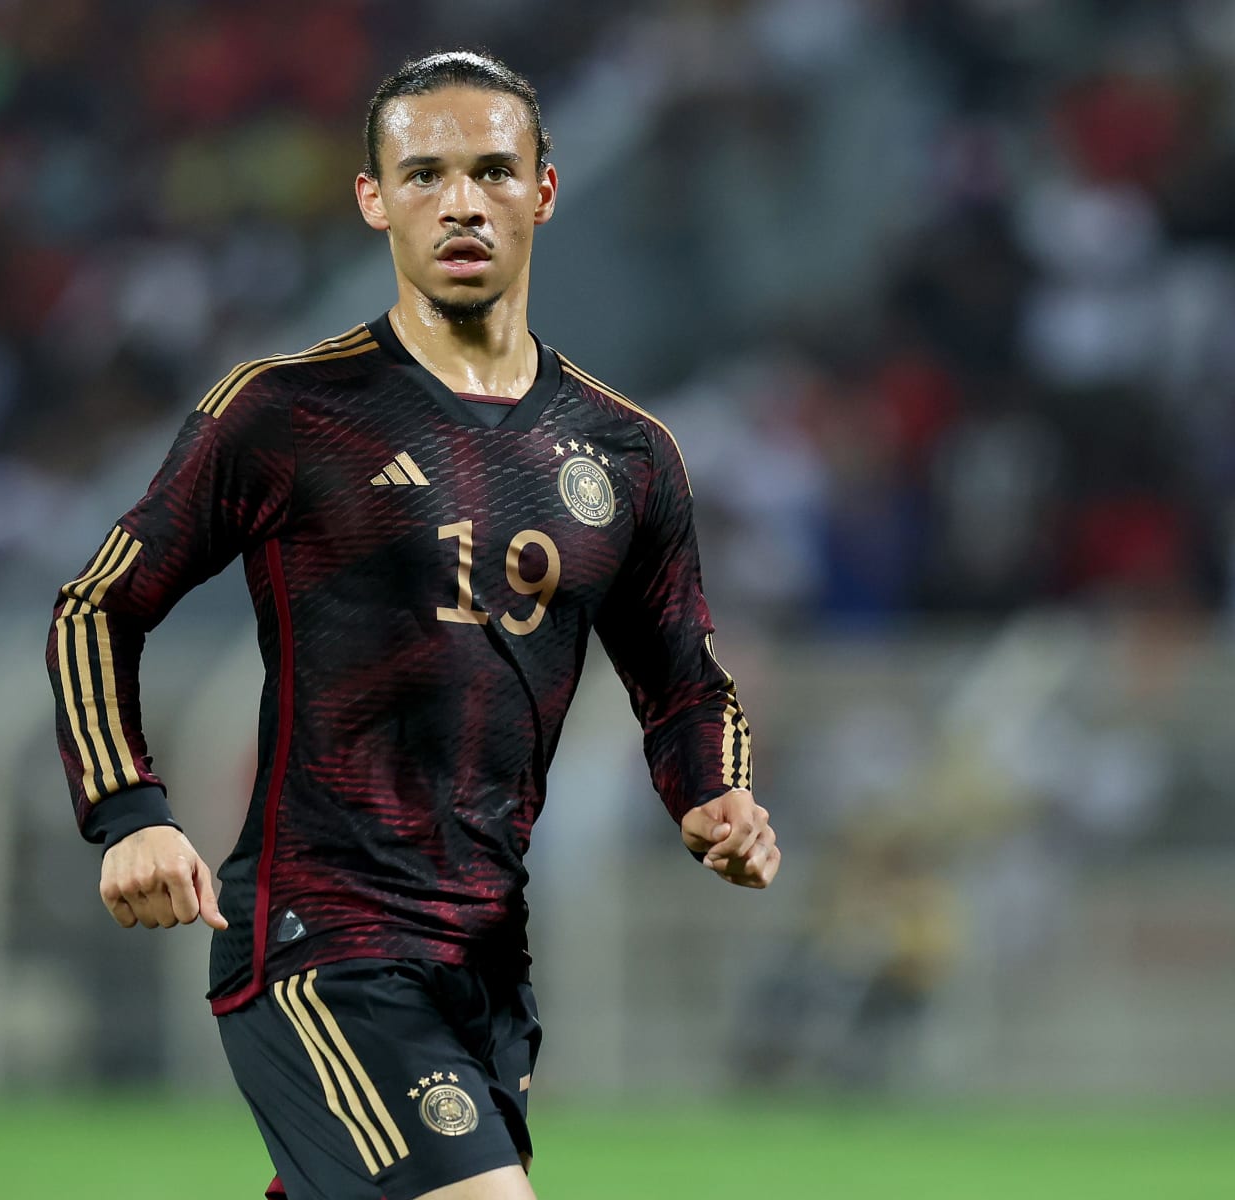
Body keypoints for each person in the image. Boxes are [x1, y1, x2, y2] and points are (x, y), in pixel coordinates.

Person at [46, 50, 778, 1200]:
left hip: (486, 961)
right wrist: (127, 810)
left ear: (543, 189)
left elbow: (684, 678)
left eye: (493, 170)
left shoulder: (626, 451)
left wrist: (712, 790)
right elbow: (99, 605)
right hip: (324, 941)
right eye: (425, 173)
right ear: (373, 198)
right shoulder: (287, 413)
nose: (462, 201)